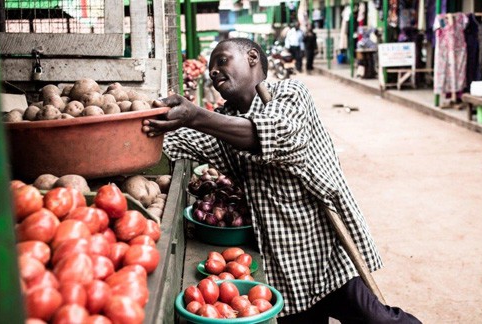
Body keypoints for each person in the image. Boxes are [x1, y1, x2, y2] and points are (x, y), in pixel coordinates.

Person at [142, 38, 421, 323]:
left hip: (328, 255)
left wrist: (195, 115)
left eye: (222, 61)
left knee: (379, 321)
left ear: (252, 57)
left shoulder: (289, 93)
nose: (213, 71)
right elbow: (171, 142)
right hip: (285, 272)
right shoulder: (223, 125)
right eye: (210, 67)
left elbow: (270, 134)